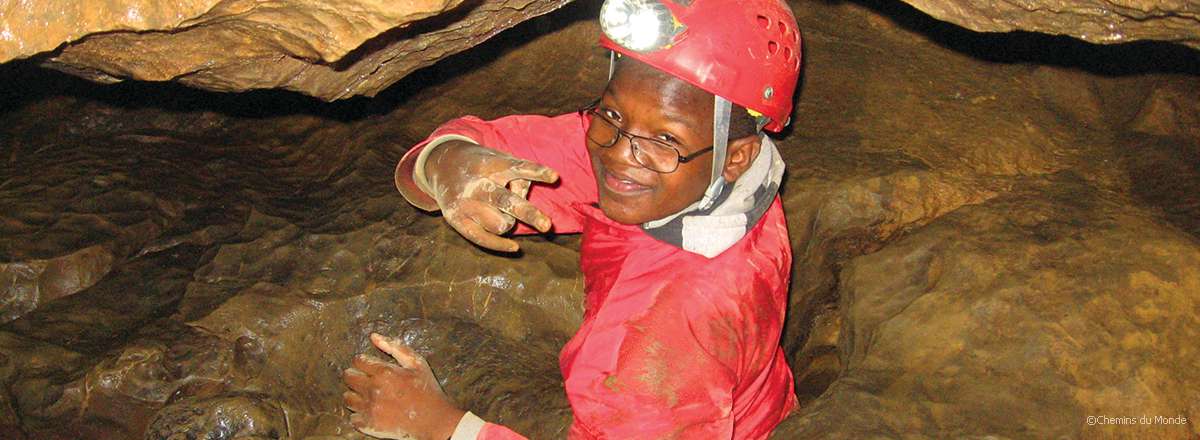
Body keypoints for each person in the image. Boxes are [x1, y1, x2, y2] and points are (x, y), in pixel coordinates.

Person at [342, 0, 804, 438]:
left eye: (665, 137)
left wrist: (443, 425)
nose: (620, 155)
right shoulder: (720, 178)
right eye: (611, 113)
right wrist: (450, 161)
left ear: (735, 157)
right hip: (758, 406)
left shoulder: (659, 344)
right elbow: (530, 150)